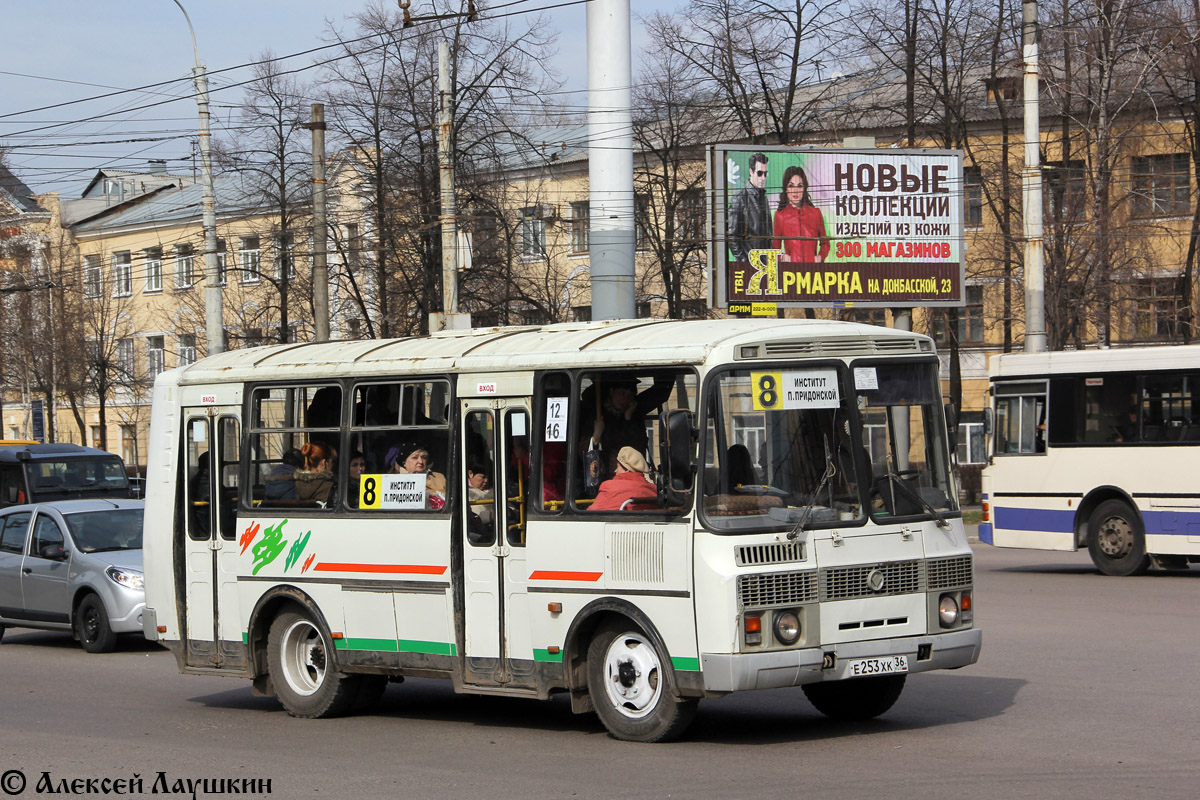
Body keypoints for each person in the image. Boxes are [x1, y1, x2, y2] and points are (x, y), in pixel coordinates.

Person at [772, 165, 828, 263]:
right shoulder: (780, 216)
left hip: (813, 271)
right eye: (791, 186)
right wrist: (782, 257)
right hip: (791, 272)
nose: (795, 190)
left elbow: (825, 243)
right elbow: (774, 248)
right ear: (786, 189)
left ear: (804, 188)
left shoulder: (815, 213)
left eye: (800, 186)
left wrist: (819, 258)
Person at [727, 152, 772, 262]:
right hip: (749, 264)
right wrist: (744, 261)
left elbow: (769, 234)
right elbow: (732, 236)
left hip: (765, 263)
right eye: (760, 173)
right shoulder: (739, 198)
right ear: (751, 172)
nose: (763, 178)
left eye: (766, 173)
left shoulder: (764, 199)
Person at [591, 447, 659, 511]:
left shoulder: (609, 487)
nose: (615, 471)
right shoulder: (654, 490)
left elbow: (590, 514)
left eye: (617, 467)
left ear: (627, 469)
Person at [385, 442, 448, 508]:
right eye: (415, 457)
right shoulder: (393, 481)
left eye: (424, 457)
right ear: (404, 463)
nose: (420, 461)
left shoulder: (439, 477)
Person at [295, 441, 336, 506]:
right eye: (332, 462)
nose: (332, 466)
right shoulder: (330, 485)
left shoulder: (294, 484)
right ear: (324, 463)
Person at [467, 458, 495, 524]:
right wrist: (490, 516)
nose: (486, 480)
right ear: (470, 474)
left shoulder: (496, 490)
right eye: (483, 477)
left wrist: (510, 512)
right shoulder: (465, 493)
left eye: (489, 477)